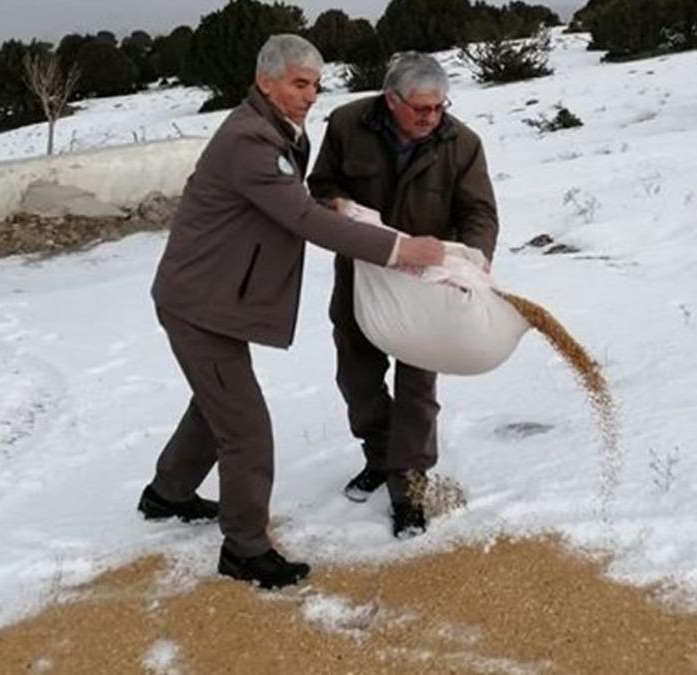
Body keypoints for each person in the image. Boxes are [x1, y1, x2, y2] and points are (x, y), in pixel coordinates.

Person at [140, 35, 446, 589]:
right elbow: (302, 218)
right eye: (299, 84)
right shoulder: (249, 141)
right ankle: (245, 548)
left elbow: (297, 203)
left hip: (215, 297)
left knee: (217, 406)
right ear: (265, 81)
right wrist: (401, 249)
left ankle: (167, 494)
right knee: (247, 429)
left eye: (315, 85)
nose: (311, 96)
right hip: (197, 304)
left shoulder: (274, 130)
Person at [308, 52, 500, 538]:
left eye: (439, 108)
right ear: (390, 99)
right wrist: (338, 205)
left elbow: (479, 212)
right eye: (420, 109)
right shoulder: (349, 123)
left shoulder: (462, 143)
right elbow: (319, 185)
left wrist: (473, 259)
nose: (431, 118)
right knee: (357, 375)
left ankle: (409, 483)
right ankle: (380, 455)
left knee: (417, 387)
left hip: (427, 284)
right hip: (363, 273)